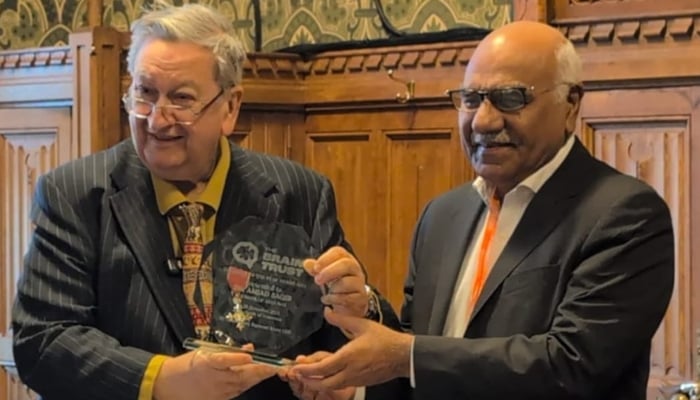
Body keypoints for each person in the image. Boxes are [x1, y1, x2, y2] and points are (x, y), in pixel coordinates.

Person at [11, 3, 398, 400]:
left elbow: (370, 349)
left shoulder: (299, 194)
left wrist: (360, 305)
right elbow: (42, 341)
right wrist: (163, 378)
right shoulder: (75, 193)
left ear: (230, 107)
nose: (158, 120)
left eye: (181, 99)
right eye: (144, 94)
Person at [290, 20, 675, 399]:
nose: (484, 121)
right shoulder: (442, 216)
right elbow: (420, 365)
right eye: (471, 99)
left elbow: (569, 366)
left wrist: (403, 355)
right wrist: (354, 382)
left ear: (570, 104)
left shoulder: (624, 216)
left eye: (510, 98)